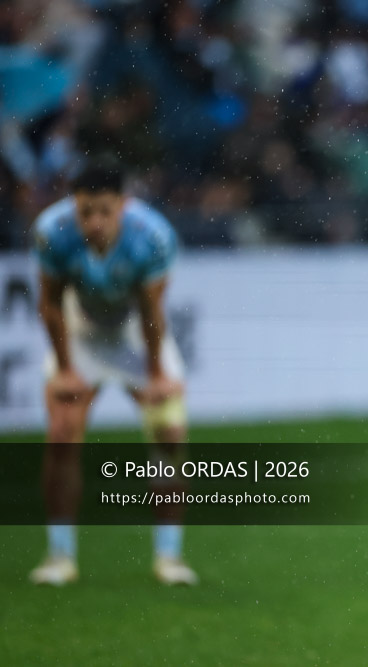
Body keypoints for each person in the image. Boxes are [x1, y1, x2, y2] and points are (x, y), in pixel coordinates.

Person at [28, 155, 197, 586]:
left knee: (170, 434)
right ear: (73, 206)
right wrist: (65, 370)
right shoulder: (52, 233)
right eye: (86, 212)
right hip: (81, 329)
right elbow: (49, 303)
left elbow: (152, 310)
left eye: (105, 211)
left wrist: (157, 374)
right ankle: (60, 556)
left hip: (134, 333)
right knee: (63, 430)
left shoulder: (154, 236)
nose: (95, 222)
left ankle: (169, 558)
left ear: (123, 205)